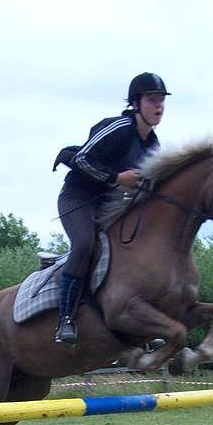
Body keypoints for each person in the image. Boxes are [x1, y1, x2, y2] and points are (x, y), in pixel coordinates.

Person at [52, 72, 170, 344]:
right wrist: (117, 179)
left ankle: (143, 323)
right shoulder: (118, 128)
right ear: (136, 103)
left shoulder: (153, 144)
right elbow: (81, 159)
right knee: (84, 244)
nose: (159, 106)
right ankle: (65, 320)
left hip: (111, 205)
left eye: (162, 101)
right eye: (153, 100)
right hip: (78, 197)